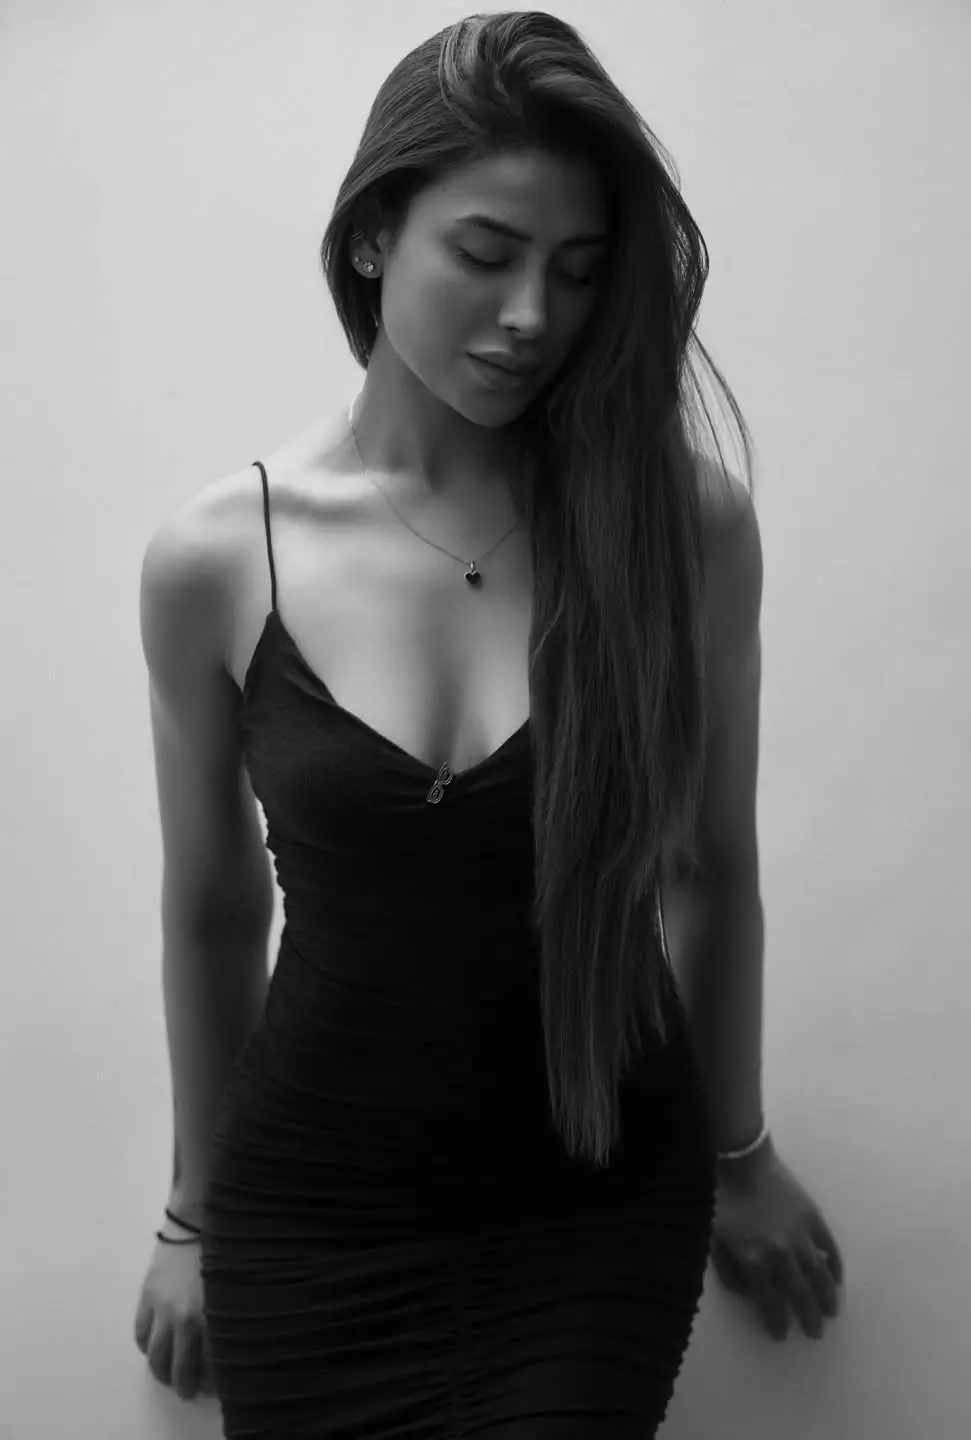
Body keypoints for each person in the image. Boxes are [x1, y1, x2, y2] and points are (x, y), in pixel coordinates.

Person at [133, 11, 840, 1437]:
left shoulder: (680, 527)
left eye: (577, 272)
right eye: (486, 252)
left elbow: (712, 866)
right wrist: (191, 1215)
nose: (532, 315)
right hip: (311, 1210)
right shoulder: (219, 556)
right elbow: (213, 912)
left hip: (592, 1203)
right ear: (372, 237)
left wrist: (741, 1150)